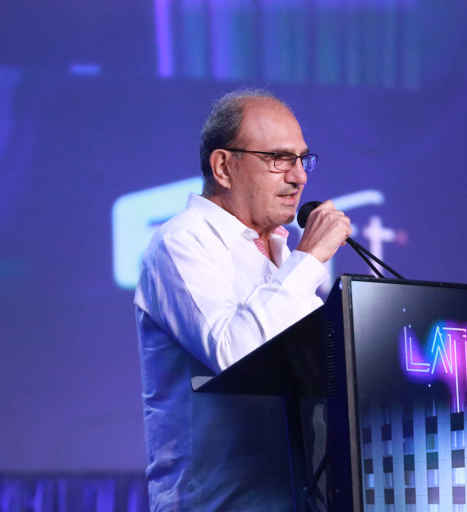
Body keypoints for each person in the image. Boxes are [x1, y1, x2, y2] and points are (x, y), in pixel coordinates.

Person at [135, 89, 351, 511]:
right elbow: (236, 354)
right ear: (223, 167)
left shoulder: (283, 255)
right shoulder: (182, 240)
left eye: (301, 159)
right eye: (279, 159)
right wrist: (309, 259)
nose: (299, 177)